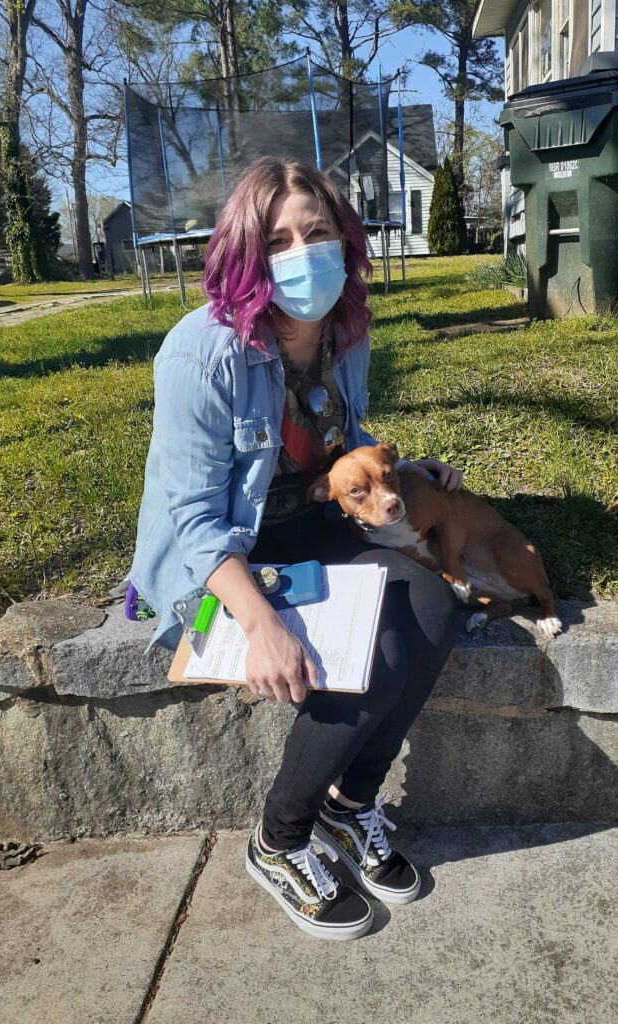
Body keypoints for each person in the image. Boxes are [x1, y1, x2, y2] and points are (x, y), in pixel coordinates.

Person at [129, 156, 465, 941]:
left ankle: (350, 809)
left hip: (308, 521)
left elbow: (337, 435)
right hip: (226, 548)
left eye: (316, 232)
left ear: (343, 241)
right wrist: (258, 623)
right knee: (372, 645)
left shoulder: (346, 331)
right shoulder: (200, 352)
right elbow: (193, 514)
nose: (301, 252)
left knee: (434, 600)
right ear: (245, 253)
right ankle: (280, 838)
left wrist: (400, 468)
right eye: (276, 240)